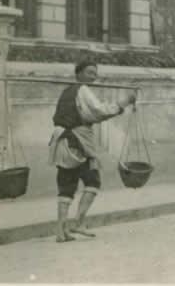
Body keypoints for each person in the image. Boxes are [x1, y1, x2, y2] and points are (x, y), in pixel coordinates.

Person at [48, 59, 137, 243]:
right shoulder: (82, 90)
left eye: (95, 73)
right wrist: (123, 103)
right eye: (90, 72)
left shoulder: (67, 91)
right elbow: (98, 112)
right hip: (78, 142)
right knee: (93, 181)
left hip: (62, 142)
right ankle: (78, 223)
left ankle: (60, 231)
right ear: (78, 73)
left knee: (66, 186)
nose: (94, 76)